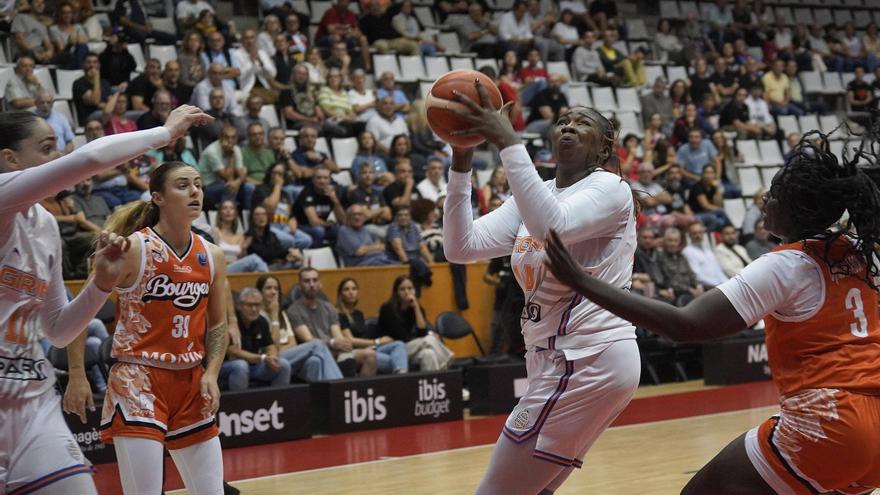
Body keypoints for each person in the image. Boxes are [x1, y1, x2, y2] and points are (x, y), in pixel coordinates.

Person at [544, 129, 880, 494]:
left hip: (832, 419)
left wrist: (581, 281)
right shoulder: (860, 251)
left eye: (772, 194)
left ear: (793, 209)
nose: (763, 199)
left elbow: (686, 325)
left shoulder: (788, 264)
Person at [443, 77, 639, 493]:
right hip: (559, 358)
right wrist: (462, 160)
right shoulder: (535, 195)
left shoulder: (611, 187)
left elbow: (553, 225)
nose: (568, 126)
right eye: (564, 121)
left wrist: (508, 141)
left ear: (604, 147)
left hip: (588, 357)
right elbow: (461, 246)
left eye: (582, 123)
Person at [0, 100, 204, 495]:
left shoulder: (44, 225)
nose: (58, 157)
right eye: (46, 148)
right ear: (10, 159)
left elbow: (58, 330)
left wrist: (100, 284)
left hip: (31, 404)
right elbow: (87, 159)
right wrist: (165, 133)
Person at [287, 268, 377, 377]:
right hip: (315, 353)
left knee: (370, 355)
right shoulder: (294, 310)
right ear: (300, 285)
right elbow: (308, 340)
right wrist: (333, 343)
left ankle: (358, 387)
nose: (311, 284)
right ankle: (343, 385)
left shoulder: (329, 307)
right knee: (318, 359)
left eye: (315, 280)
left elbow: (337, 334)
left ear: (320, 284)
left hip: (334, 350)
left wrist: (343, 343)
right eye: (307, 281)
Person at [255, 275, 343, 382]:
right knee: (318, 345)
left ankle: (320, 392)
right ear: (260, 292)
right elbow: (271, 350)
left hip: (288, 356)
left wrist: (281, 348)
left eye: (276, 288)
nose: (273, 292)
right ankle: (338, 385)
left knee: (315, 361)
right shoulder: (257, 315)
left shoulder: (282, 314)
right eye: (268, 288)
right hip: (269, 361)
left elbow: (293, 343)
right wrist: (274, 317)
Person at [220, 287, 291, 391]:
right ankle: (240, 401)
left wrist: (272, 356)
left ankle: (278, 400)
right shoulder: (231, 323)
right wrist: (262, 358)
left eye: (257, 305)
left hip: (254, 365)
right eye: (249, 305)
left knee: (283, 365)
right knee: (241, 366)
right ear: (239, 306)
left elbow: (270, 345)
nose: (254, 309)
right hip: (228, 365)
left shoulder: (261, 321)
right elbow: (232, 351)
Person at [378, 276, 453, 371]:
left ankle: (434, 380)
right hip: (395, 350)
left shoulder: (416, 308)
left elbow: (422, 332)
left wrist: (416, 307)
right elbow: (402, 337)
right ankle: (447, 360)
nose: (407, 292)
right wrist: (423, 338)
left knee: (428, 353)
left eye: (410, 288)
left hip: (411, 348)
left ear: (414, 291)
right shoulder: (387, 309)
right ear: (396, 292)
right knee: (429, 340)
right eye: (402, 289)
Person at [337, 278, 408, 374]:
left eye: (354, 289)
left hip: (368, 348)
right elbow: (350, 340)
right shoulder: (339, 315)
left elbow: (363, 334)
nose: (351, 292)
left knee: (399, 344)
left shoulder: (358, 314)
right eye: (346, 289)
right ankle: (402, 376)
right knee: (395, 360)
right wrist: (377, 341)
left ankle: (401, 373)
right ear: (340, 295)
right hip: (353, 352)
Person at [213, 199, 269, 273]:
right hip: (221, 268)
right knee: (254, 259)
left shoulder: (240, 236)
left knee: (256, 269)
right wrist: (229, 261)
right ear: (220, 213)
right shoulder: (215, 231)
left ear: (235, 213)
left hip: (235, 269)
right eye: (224, 208)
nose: (228, 211)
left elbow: (242, 259)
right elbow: (213, 256)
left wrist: (244, 248)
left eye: (231, 208)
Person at [682, 220, 729, 288]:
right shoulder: (687, 252)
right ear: (689, 235)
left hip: (719, 286)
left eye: (700, 232)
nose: (698, 235)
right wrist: (719, 285)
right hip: (707, 288)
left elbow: (718, 271)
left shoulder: (708, 251)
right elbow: (697, 276)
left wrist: (727, 283)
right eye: (694, 233)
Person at [34, 89, 75, 153]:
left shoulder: (61, 118)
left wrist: (64, 155)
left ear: (52, 103)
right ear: (36, 103)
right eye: (42, 102)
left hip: (61, 156)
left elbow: (70, 143)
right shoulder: (30, 120)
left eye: (48, 102)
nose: (45, 105)